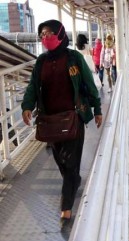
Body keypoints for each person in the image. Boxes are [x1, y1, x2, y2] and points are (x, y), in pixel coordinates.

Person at [21, 19, 103, 225]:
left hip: (73, 117)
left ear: (59, 34)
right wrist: (26, 106)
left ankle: (66, 208)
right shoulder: (41, 62)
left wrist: (98, 109)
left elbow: (88, 84)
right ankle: (73, 181)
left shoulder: (74, 58)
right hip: (50, 122)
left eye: (48, 33)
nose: (44, 38)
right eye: (41, 36)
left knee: (71, 162)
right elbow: (32, 86)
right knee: (62, 163)